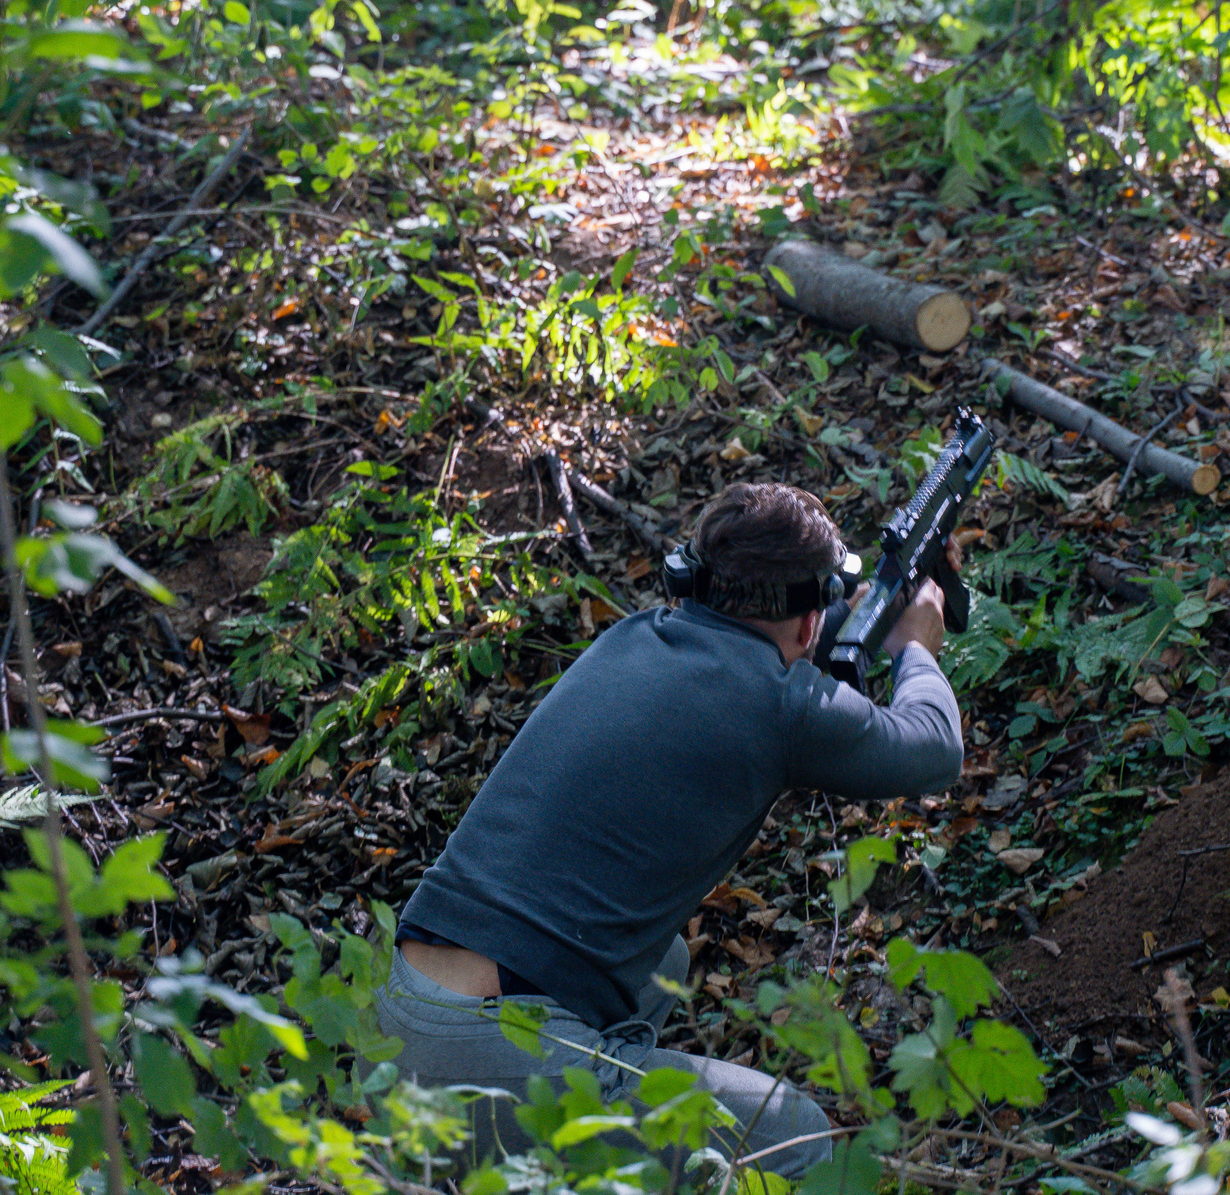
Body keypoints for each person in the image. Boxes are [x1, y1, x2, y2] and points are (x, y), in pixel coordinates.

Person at [376, 481, 968, 1178]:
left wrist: (882, 603)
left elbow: (768, 640)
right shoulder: (779, 705)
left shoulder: (631, 638)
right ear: (809, 625)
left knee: (664, 967)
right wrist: (918, 643)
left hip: (401, 1023)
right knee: (794, 1139)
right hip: (489, 1058)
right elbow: (935, 745)